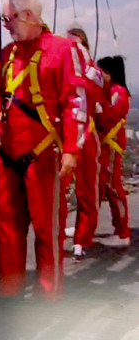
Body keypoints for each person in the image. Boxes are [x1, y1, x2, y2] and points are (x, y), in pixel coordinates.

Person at [0, 0, 87, 301]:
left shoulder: (64, 50)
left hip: (44, 154)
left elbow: (75, 102)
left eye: (7, 18)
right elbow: (2, 100)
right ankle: (9, 286)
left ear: (27, 16)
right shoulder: (7, 53)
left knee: (46, 227)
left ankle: (48, 292)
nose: (5, 25)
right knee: (7, 224)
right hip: (8, 153)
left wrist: (71, 149)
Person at [64, 27, 103, 260]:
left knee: (87, 191)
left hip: (85, 134)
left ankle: (82, 239)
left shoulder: (92, 72)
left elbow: (97, 96)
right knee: (58, 191)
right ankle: (55, 236)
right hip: (64, 136)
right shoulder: (61, 67)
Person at [96, 55, 131, 247]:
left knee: (114, 188)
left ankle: (122, 232)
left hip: (111, 144)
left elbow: (108, 115)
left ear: (108, 74)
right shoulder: (111, 90)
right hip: (105, 144)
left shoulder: (119, 92)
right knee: (101, 186)